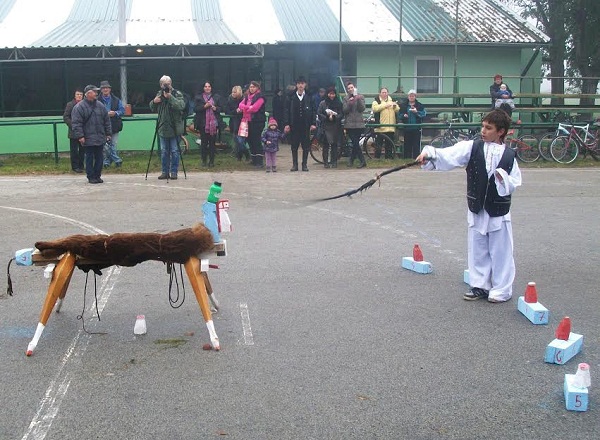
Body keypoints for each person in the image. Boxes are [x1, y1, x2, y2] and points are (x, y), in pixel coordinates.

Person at [416, 109, 522, 303]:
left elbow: (515, 181)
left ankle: (501, 289)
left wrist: (503, 179)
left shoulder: (509, 155)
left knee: (501, 251)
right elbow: (449, 155)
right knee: (478, 247)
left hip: (498, 210)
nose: (483, 131)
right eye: (483, 126)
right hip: (477, 206)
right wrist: (429, 154)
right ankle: (480, 285)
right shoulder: (472, 147)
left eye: (488, 128)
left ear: (501, 131)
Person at [71, 85, 111, 184]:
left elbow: (106, 120)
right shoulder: (79, 107)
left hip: (100, 136)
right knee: (89, 157)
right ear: (88, 93)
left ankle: (97, 175)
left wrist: (108, 133)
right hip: (87, 137)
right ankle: (91, 176)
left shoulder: (100, 105)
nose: (96, 93)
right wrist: (80, 136)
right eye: (94, 92)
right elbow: (76, 123)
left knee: (100, 157)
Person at [149, 75, 186, 180]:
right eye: (164, 84)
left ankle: (174, 172)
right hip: (163, 127)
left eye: (168, 84)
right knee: (164, 151)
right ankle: (165, 172)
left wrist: (170, 97)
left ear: (171, 84)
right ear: (161, 85)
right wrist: (153, 102)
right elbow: (152, 107)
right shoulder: (159, 94)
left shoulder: (176, 93)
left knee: (174, 151)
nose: (166, 86)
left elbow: (181, 106)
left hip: (175, 127)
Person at [283, 76, 316, 171]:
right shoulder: (291, 97)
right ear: (296, 85)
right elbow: (286, 111)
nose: (301, 85)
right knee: (294, 145)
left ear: (305, 85)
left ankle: (304, 164)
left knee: (306, 146)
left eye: (302, 83)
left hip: (306, 125)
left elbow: (314, 110)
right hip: (294, 125)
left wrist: (313, 123)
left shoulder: (309, 96)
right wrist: (287, 124)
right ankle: (295, 165)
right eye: (299, 83)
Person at [193, 81, 223, 167]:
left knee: (212, 143)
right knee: (204, 143)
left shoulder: (217, 97)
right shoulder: (198, 97)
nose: (207, 88)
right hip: (203, 124)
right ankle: (204, 161)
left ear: (211, 88)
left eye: (209, 86)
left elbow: (221, 108)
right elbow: (195, 109)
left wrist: (215, 108)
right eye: (205, 86)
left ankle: (212, 161)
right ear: (203, 88)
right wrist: (204, 107)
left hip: (214, 124)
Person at [238, 80, 266, 168]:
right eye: (250, 87)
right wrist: (247, 107)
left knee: (256, 140)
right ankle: (253, 160)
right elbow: (240, 105)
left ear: (257, 88)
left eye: (254, 87)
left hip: (257, 121)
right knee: (250, 140)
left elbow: (254, 108)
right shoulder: (247, 97)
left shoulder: (260, 97)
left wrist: (245, 108)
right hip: (247, 121)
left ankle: (260, 161)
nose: (252, 88)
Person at [98, 80, 125, 168]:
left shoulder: (116, 100)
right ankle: (116, 160)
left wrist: (115, 113)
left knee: (113, 144)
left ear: (110, 89)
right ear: (101, 90)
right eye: (103, 88)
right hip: (101, 126)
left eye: (107, 88)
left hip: (114, 125)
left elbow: (122, 110)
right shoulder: (97, 101)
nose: (105, 89)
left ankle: (107, 162)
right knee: (105, 145)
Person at [342, 81, 367, 168]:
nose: (350, 89)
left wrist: (358, 99)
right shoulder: (345, 98)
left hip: (359, 124)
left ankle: (351, 160)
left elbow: (362, 109)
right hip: (349, 124)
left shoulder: (361, 97)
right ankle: (362, 160)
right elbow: (345, 110)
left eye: (351, 87)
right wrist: (349, 102)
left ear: (354, 88)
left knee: (355, 143)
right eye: (348, 88)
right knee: (355, 142)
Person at [317, 86, 343, 168]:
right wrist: (327, 117)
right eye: (330, 94)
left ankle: (334, 161)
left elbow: (341, 114)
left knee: (334, 145)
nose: (332, 96)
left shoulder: (339, 103)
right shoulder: (323, 103)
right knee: (326, 145)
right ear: (327, 94)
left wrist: (335, 117)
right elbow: (319, 113)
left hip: (335, 126)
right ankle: (326, 162)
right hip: (326, 126)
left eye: (333, 94)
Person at [371, 87, 400, 159]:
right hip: (380, 127)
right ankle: (377, 159)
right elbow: (375, 109)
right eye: (383, 92)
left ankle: (388, 159)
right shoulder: (376, 101)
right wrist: (385, 105)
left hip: (390, 127)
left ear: (388, 93)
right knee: (378, 145)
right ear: (380, 93)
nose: (384, 94)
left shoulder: (392, 100)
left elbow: (397, 110)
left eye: (386, 92)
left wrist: (395, 106)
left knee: (389, 145)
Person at [63, 88, 85, 173]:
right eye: (77, 94)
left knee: (83, 150)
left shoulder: (85, 104)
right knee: (74, 151)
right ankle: (75, 167)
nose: (79, 96)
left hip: (83, 132)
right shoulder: (70, 104)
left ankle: (81, 166)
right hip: (73, 132)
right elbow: (66, 117)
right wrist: (74, 125)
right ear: (74, 96)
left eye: (81, 95)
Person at [399, 89, 426, 159]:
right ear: (408, 97)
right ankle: (407, 159)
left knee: (416, 145)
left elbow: (424, 114)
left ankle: (416, 159)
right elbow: (399, 115)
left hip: (416, 128)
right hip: (407, 128)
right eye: (410, 96)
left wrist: (416, 112)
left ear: (415, 97)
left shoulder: (419, 105)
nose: (411, 97)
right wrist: (403, 116)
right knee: (407, 144)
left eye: (413, 96)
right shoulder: (403, 105)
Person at [225, 85, 249, 161]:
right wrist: (236, 111)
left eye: (235, 92)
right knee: (237, 140)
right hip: (233, 121)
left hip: (242, 122)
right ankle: (241, 156)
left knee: (240, 140)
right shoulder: (230, 100)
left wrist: (241, 111)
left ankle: (244, 154)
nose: (233, 93)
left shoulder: (244, 99)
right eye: (232, 92)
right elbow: (227, 111)